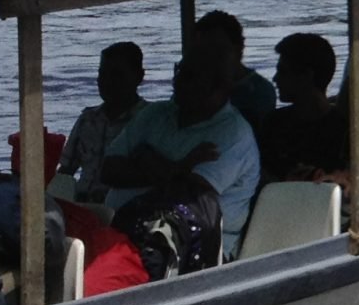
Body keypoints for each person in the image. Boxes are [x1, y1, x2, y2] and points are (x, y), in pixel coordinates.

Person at [100, 42, 263, 252]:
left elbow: (189, 196)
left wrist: (147, 157)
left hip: (193, 247)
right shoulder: (154, 114)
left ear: (217, 85)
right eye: (178, 70)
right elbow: (108, 170)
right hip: (123, 231)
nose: (177, 81)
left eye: (189, 76)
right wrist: (178, 168)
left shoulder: (233, 133)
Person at [60, 41, 146, 200]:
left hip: (123, 207)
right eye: (102, 74)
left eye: (117, 75)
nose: (107, 82)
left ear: (139, 76)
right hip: (81, 203)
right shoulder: (88, 119)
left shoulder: (148, 120)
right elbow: (66, 171)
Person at [261, 31, 348, 179]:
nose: (275, 79)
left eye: (283, 72)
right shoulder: (272, 124)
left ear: (307, 75)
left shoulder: (344, 131)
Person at [195, 9, 278, 125]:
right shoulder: (193, 84)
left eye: (217, 49)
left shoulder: (259, 91)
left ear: (239, 47)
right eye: (202, 50)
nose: (210, 56)